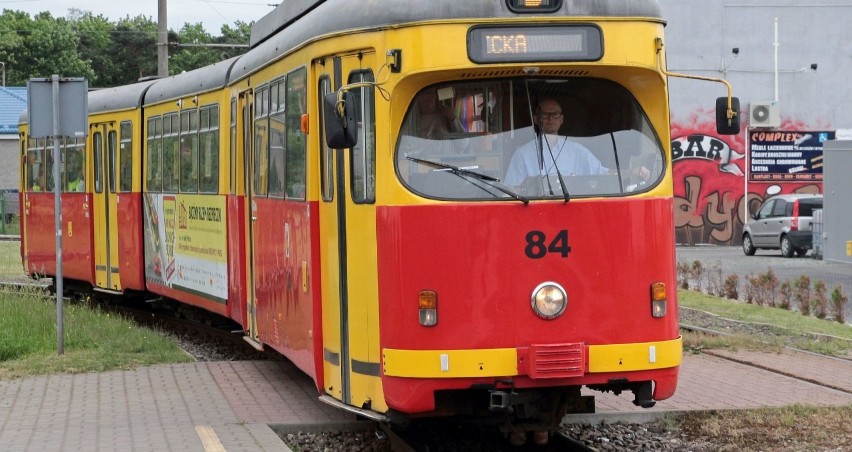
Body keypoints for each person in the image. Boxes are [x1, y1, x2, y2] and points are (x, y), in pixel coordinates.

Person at [504, 98, 608, 186]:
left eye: (555, 114)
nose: (550, 118)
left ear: (561, 119)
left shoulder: (577, 151)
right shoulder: (522, 154)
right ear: (536, 119)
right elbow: (512, 189)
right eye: (545, 114)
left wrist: (623, 173)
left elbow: (604, 175)